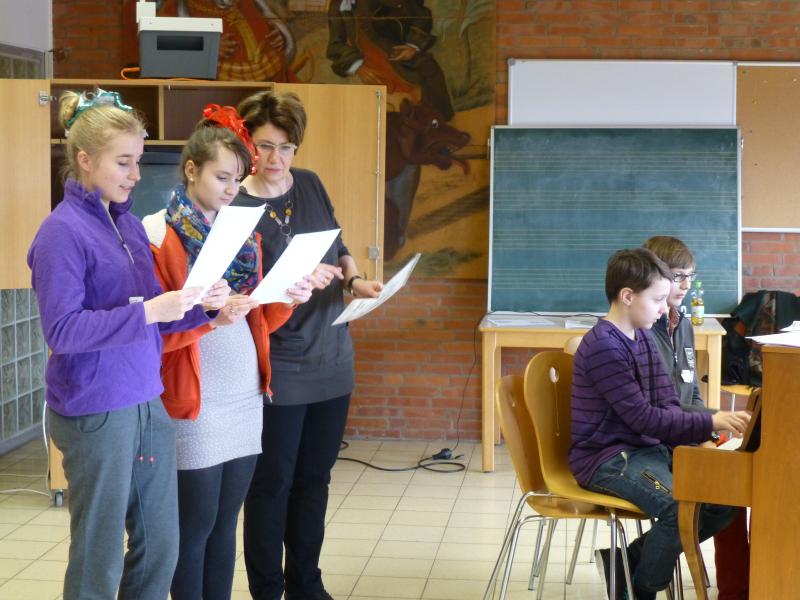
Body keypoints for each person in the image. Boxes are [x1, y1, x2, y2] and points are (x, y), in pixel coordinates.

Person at [27, 89, 229, 600]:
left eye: (138, 161)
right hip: (95, 409)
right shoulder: (60, 233)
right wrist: (150, 311)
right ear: (85, 159)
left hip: (145, 399)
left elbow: (151, 321)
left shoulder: (130, 226)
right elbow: (63, 331)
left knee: (161, 546)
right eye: (124, 162)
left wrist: (204, 308)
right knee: (98, 555)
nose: (136, 174)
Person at [142, 105, 313, 600]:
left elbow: (256, 320)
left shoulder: (244, 237)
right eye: (221, 177)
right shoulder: (158, 235)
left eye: (238, 179)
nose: (231, 188)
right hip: (196, 399)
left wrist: (286, 296)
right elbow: (154, 333)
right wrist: (208, 317)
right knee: (193, 528)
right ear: (191, 170)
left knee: (224, 527)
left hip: (243, 394)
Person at [233, 90, 383, 600]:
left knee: (315, 480)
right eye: (264, 146)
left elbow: (338, 247)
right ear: (247, 145)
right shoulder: (237, 203)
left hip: (332, 356)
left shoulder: (311, 183)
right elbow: (239, 291)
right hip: (278, 360)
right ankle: (267, 589)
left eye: (286, 147)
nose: (275, 159)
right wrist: (293, 279)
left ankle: (306, 584)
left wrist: (355, 280)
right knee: (271, 483)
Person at [569, 248, 751, 600]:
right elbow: (643, 417)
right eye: (656, 300)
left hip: (646, 450)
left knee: (724, 501)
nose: (664, 309)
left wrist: (702, 433)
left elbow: (666, 402)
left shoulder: (641, 335)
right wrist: (709, 421)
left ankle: (628, 563)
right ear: (627, 296)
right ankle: (640, 589)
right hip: (608, 458)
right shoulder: (604, 346)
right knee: (677, 508)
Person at [643, 236, 750, 600]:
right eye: (678, 276)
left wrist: (708, 431)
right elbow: (658, 409)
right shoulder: (642, 330)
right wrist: (708, 425)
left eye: (690, 276)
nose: (686, 285)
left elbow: (692, 395)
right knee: (727, 492)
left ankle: (739, 588)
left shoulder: (684, 324)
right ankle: (638, 562)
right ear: (654, 276)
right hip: (658, 443)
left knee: (739, 481)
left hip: (686, 435)